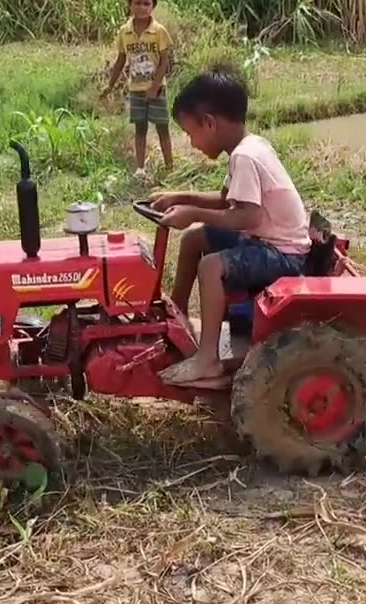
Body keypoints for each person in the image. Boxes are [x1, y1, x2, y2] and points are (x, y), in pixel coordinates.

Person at [149, 69, 311, 387]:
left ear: (209, 123)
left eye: (190, 133)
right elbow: (227, 200)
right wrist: (182, 197)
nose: (192, 143)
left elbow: (247, 217)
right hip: (267, 240)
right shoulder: (247, 147)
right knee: (194, 238)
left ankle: (207, 359)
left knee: (211, 266)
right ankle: (177, 317)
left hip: (282, 252)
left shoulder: (246, 157)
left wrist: (193, 211)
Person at [101, 0, 174, 177]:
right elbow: (120, 60)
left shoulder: (159, 31)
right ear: (130, 5)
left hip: (156, 89)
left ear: (153, 6)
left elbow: (165, 61)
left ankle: (170, 166)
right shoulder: (124, 32)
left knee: (162, 127)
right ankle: (140, 168)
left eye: (146, 4)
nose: (142, 8)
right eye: (138, 3)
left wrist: (154, 87)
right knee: (140, 128)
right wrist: (110, 85)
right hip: (136, 89)